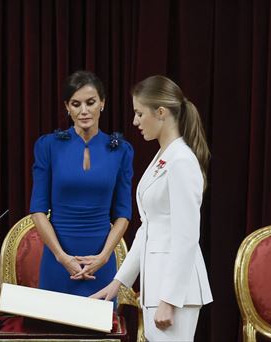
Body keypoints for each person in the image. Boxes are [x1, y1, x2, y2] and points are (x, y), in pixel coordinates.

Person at [91, 75, 213, 341]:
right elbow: (149, 228)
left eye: (139, 113)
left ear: (160, 113)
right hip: (157, 285)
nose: (134, 122)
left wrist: (169, 299)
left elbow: (187, 235)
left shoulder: (181, 160)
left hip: (175, 292)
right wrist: (119, 281)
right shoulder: (163, 156)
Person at [29, 70, 133, 297]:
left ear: (102, 103)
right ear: (67, 107)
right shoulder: (48, 146)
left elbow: (123, 213)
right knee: (55, 331)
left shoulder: (121, 150)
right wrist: (61, 257)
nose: (84, 111)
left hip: (101, 264)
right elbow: (37, 210)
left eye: (91, 102)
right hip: (57, 263)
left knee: (102, 332)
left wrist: (104, 256)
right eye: (76, 104)